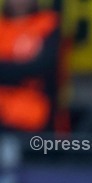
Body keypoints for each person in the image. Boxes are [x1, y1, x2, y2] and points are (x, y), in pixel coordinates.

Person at [0, 0, 60, 133]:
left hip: (33, 112)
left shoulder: (48, 23)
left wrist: (7, 68)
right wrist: (22, 66)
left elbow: (43, 66)